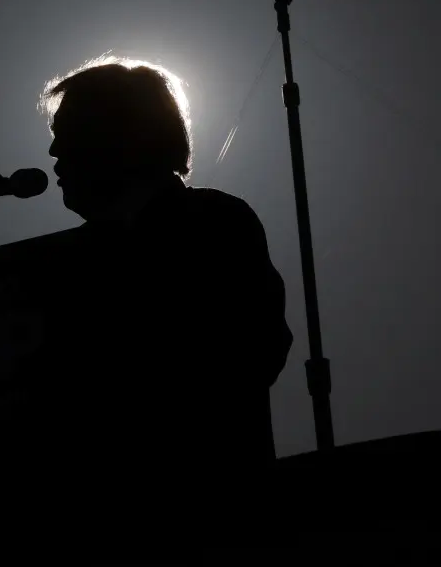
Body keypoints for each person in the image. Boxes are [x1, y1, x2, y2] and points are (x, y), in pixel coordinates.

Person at [35, 55, 294, 499]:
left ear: (120, 135)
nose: (54, 153)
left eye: (70, 135)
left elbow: (255, 350)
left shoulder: (216, 224)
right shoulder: (72, 260)